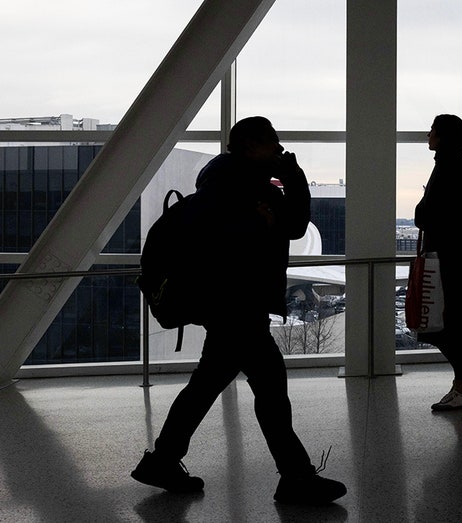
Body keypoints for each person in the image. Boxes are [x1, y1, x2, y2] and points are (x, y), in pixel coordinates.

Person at [131, 116, 347, 505]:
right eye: (273, 143)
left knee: (210, 386)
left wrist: (290, 184)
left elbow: (292, 227)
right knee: (267, 391)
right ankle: (295, 476)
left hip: (231, 306)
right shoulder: (240, 187)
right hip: (237, 305)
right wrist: (267, 220)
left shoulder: (242, 183)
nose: (280, 150)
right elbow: (266, 233)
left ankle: (163, 461)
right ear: (250, 146)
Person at [414, 114, 462, 411]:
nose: (428, 135)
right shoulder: (459, 166)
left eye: (432, 130)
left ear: (443, 136)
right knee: (450, 324)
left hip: (448, 264)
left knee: (442, 325)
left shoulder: (447, 168)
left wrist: (421, 209)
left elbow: (427, 215)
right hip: (458, 262)